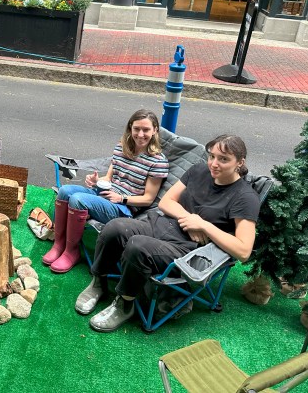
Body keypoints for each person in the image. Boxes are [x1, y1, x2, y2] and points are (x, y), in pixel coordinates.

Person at [77, 134, 260, 332]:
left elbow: (243, 250)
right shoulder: (199, 170)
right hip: (163, 224)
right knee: (115, 227)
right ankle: (99, 282)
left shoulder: (245, 197)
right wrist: (190, 220)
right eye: (212, 156)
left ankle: (125, 304)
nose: (214, 164)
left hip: (187, 248)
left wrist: (204, 225)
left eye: (224, 159)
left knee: (138, 246)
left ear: (239, 163)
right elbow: (166, 202)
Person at [43, 109, 169, 274]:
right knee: (65, 191)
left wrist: (122, 198)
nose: (140, 134)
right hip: (105, 195)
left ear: (155, 131)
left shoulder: (158, 161)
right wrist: (96, 181)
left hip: (123, 208)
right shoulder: (122, 148)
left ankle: (71, 251)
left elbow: (148, 199)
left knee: (78, 199)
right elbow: (109, 178)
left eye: (146, 130)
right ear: (130, 128)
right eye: (136, 128)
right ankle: (59, 244)